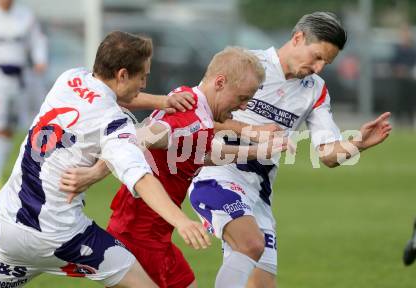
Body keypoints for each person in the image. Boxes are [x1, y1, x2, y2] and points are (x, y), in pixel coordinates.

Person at [0, 31, 210, 288]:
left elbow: (114, 95)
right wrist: (182, 221)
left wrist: (163, 101)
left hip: (10, 228)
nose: (144, 84)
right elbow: (141, 178)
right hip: (63, 237)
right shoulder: (113, 124)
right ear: (122, 74)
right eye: (143, 76)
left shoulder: (70, 78)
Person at [188, 12, 392, 288]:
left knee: (261, 283)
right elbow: (195, 118)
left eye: (326, 63)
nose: (319, 68)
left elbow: (326, 154)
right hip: (216, 173)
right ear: (297, 38)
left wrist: (357, 143)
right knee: (249, 243)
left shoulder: (315, 90)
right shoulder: (246, 64)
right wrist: (249, 132)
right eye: (317, 56)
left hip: (258, 194)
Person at [59, 46, 287, 288]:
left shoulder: (190, 100)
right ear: (220, 82)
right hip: (139, 237)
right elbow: (139, 137)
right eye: (242, 98)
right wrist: (95, 173)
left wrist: (256, 152)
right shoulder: (191, 120)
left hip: (156, 236)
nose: (243, 107)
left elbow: (200, 153)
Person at [0, 0, 48, 194]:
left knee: (9, 127)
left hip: (18, 79)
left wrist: (40, 59)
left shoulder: (26, 16)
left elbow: (37, 40)